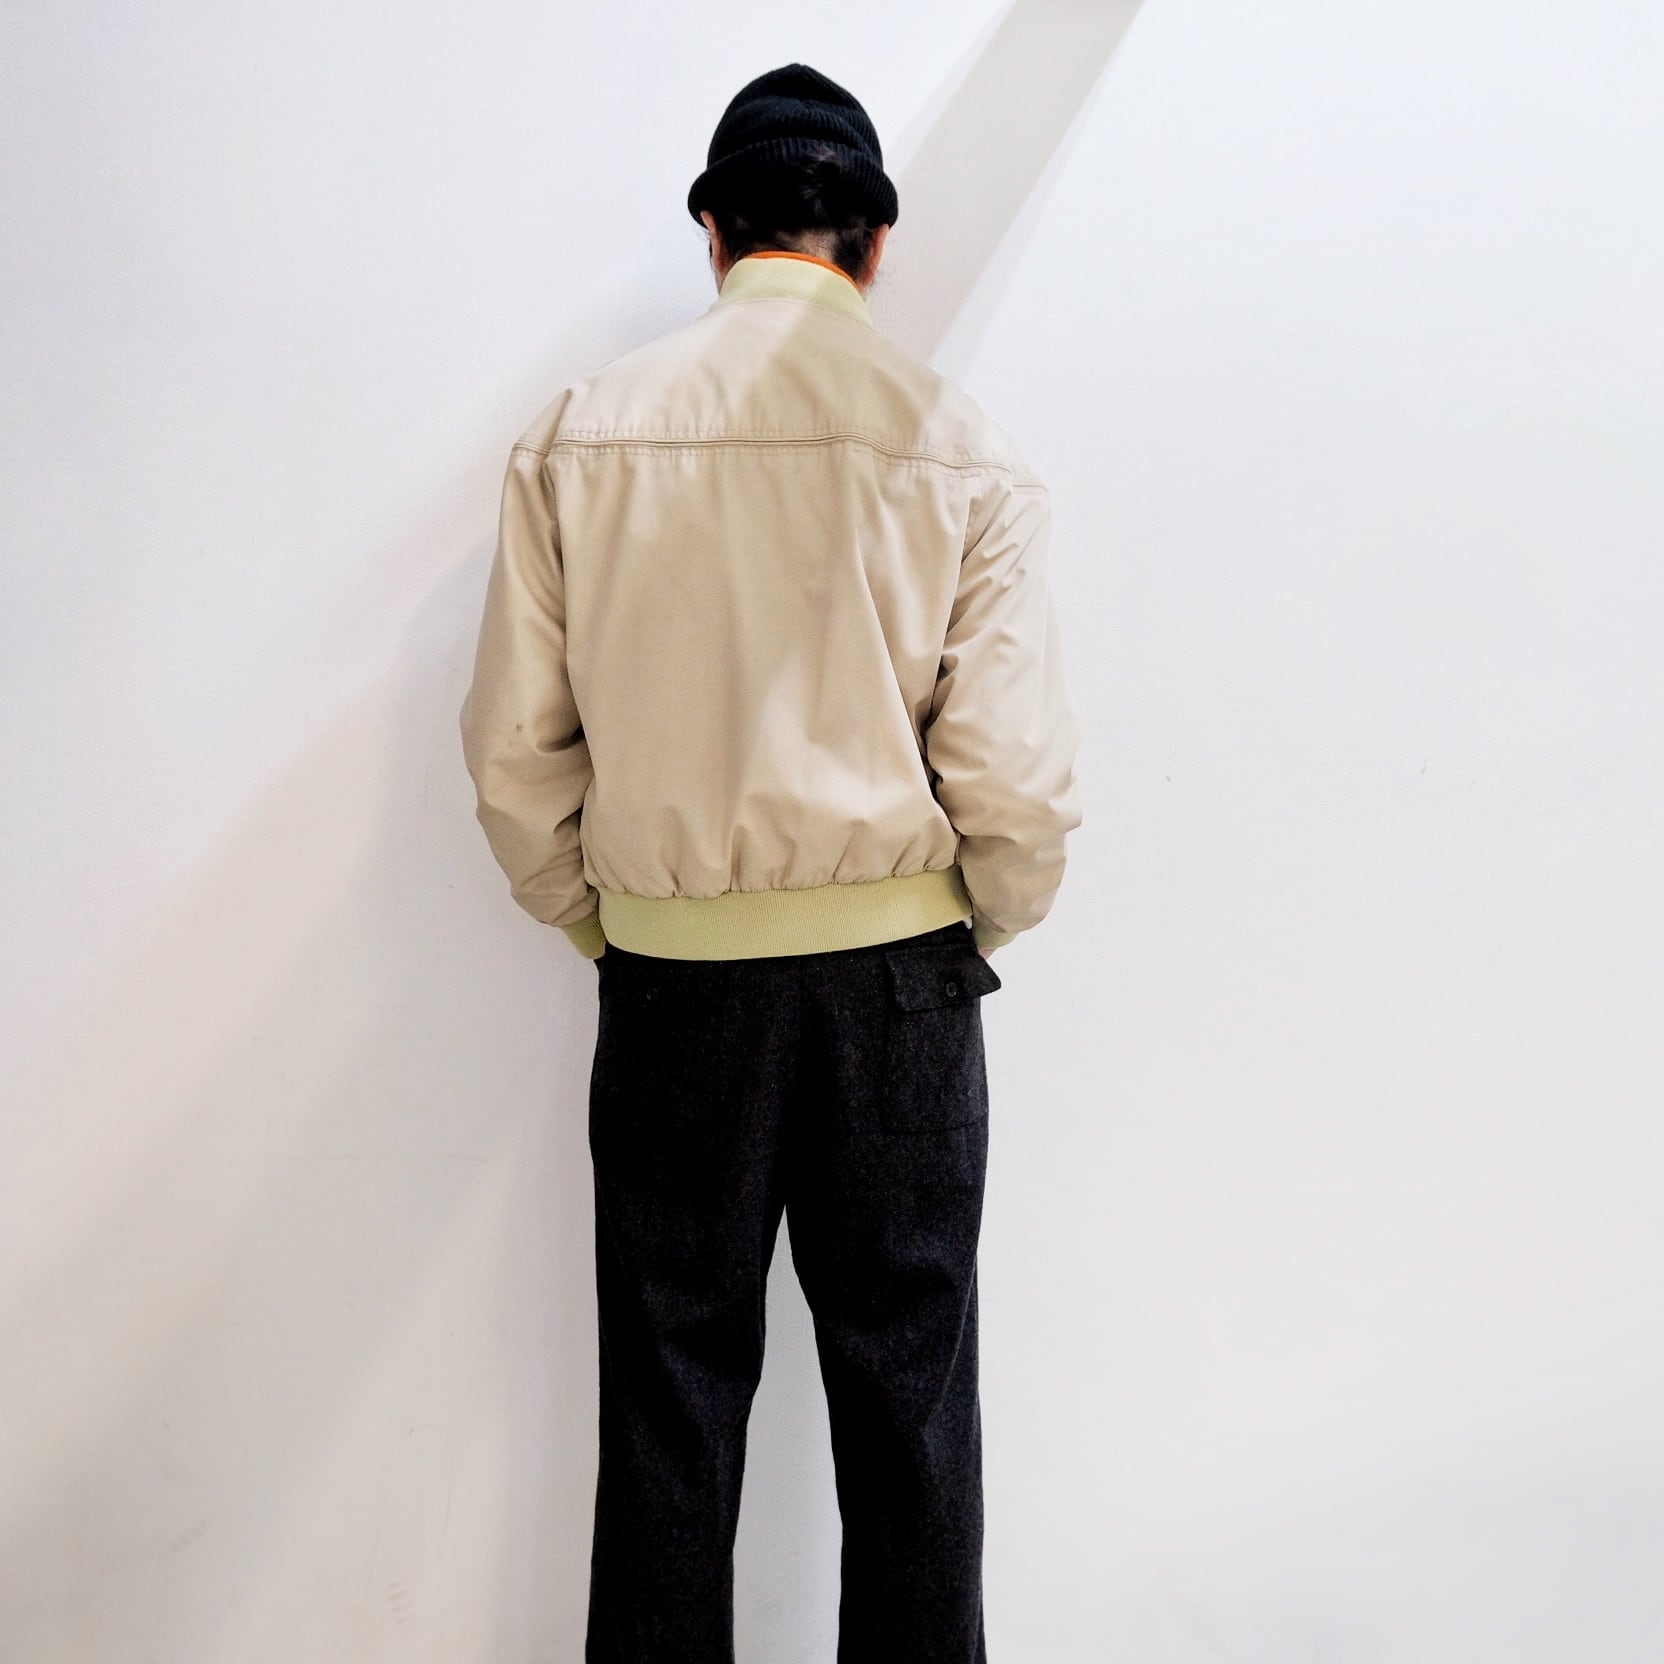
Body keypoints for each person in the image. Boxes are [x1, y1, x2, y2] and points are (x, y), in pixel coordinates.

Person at [458, 60, 1082, 1664]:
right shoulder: (965, 453)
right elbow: (1016, 788)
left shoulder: (580, 438)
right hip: (900, 996)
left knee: (670, 1406)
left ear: (716, 232)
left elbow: (514, 761)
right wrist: (960, 925)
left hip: (676, 988)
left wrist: (609, 923)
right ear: (875, 243)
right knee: (911, 1415)